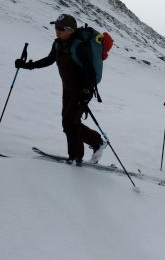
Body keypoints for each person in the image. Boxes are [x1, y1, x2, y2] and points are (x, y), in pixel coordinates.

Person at [14, 14, 106, 166]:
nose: (57, 31)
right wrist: (27, 65)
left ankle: (75, 157)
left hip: (82, 90)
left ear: (70, 30)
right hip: (68, 89)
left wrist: (86, 92)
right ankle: (97, 142)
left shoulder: (79, 46)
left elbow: (90, 72)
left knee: (69, 122)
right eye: (56, 27)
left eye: (61, 28)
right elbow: (49, 60)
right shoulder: (58, 44)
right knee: (69, 122)